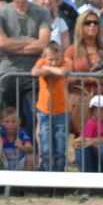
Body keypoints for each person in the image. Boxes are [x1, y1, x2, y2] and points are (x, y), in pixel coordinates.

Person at [0, 0, 52, 134]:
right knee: (9, 117)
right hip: (9, 72)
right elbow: (1, 43)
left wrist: (14, 44)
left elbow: (44, 44)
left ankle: (36, 152)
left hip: (34, 72)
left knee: (36, 115)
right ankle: (8, 154)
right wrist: (29, 40)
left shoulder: (42, 12)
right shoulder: (1, 13)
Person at [32, 41, 69, 172]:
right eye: (50, 59)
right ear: (44, 57)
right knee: (46, 147)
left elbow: (63, 72)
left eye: (56, 59)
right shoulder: (42, 62)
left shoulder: (65, 62)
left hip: (61, 112)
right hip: (44, 111)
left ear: (61, 57)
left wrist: (47, 69)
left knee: (60, 148)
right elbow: (35, 72)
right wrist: (49, 69)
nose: (53, 62)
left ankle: (59, 179)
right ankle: (46, 178)